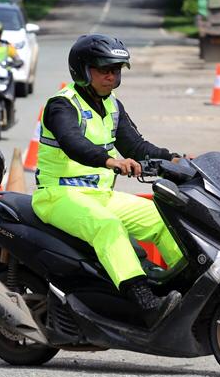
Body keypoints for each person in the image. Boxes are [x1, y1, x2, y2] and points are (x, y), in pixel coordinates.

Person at [31, 34, 184, 328]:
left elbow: (137, 147)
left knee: (163, 219)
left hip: (100, 195)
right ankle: (145, 303)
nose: (111, 76)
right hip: (58, 196)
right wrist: (110, 160)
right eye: (104, 70)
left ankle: (188, 289)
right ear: (83, 70)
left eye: (116, 70)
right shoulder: (61, 105)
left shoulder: (113, 106)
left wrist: (174, 159)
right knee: (107, 226)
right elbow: (73, 142)